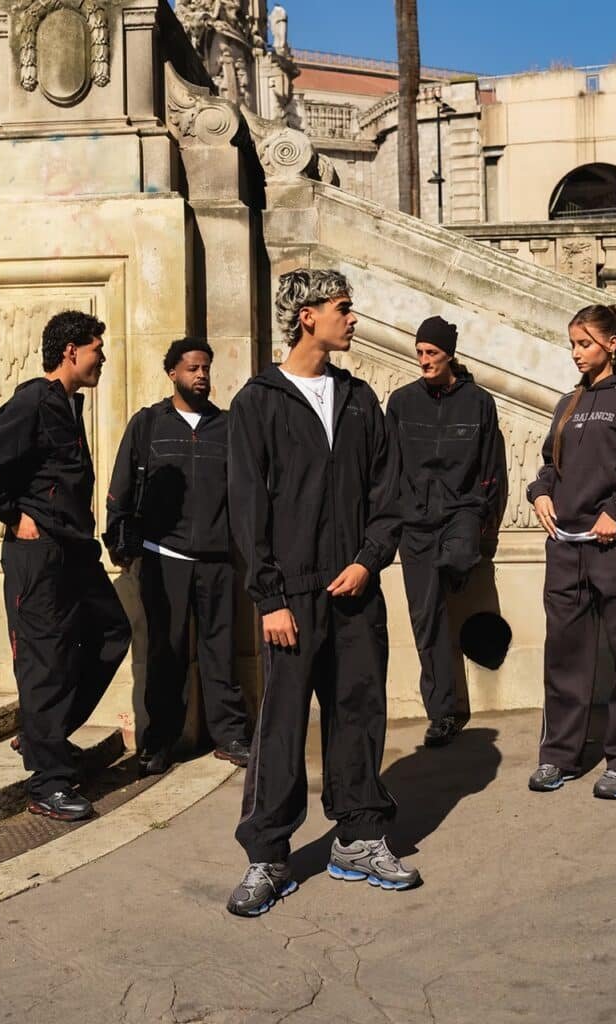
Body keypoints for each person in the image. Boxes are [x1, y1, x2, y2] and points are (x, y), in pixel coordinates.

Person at [226, 269, 420, 918]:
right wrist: (270, 597)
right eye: (343, 308)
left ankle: (360, 838)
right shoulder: (258, 401)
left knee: (360, 715)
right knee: (281, 726)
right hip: (293, 597)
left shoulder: (362, 398)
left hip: (355, 592)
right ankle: (268, 855)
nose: (353, 318)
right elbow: (248, 509)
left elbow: (388, 496)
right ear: (307, 315)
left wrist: (369, 561)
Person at [0, 311, 131, 820]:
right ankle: (49, 782)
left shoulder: (68, 404)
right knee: (43, 661)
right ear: (71, 351)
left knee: (112, 631)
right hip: (38, 553)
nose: (102, 358)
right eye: (96, 348)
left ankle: (43, 735)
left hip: (73, 549)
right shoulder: (31, 401)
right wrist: (12, 511)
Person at [527, 304, 616, 798]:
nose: (576, 353)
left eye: (584, 343)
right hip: (566, 550)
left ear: (611, 343)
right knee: (564, 655)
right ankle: (559, 756)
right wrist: (540, 491)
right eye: (572, 344)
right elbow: (551, 464)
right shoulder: (567, 402)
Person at [105, 338, 250, 775]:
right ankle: (159, 741)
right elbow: (121, 487)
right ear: (172, 372)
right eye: (192, 368)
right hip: (162, 555)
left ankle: (230, 735)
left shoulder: (227, 426)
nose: (201, 375)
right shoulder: (148, 424)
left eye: (206, 367)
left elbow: (245, 492)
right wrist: (119, 541)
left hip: (216, 558)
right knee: (165, 654)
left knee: (220, 651)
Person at [386, 316, 501, 747]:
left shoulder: (478, 402)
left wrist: (486, 530)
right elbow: (388, 464)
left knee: (455, 558)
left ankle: (457, 566)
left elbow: (493, 469)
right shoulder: (400, 402)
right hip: (415, 523)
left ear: (449, 353)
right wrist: (393, 515)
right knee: (426, 620)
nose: (424, 360)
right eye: (419, 353)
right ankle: (444, 713)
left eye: (431, 353)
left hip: (462, 513)